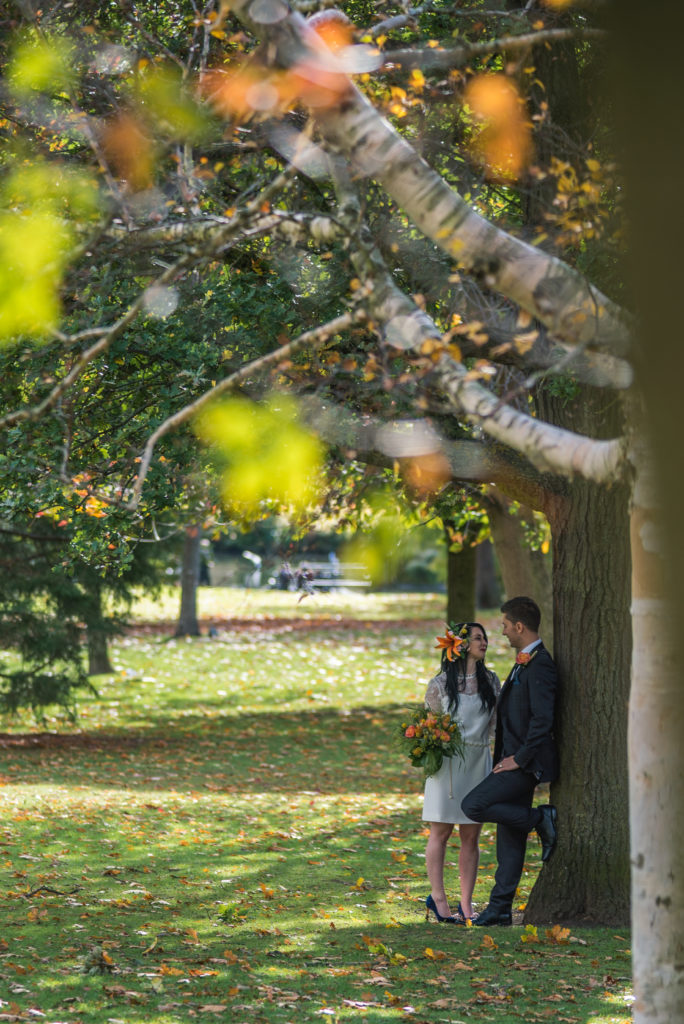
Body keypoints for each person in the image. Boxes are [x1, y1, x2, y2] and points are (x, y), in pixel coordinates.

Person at [461, 596, 558, 927]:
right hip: (509, 760)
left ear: (519, 626)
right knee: (509, 841)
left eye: (504, 625)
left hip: (524, 765)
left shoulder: (541, 663)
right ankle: (500, 908)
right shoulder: (522, 661)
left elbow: (543, 720)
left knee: (472, 805)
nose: (500, 632)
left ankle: (539, 818)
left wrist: (518, 759)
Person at [423, 622, 500, 924]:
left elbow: (496, 725)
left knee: (471, 835)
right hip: (446, 766)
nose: (485, 643)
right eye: (478, 638)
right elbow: (429, 728)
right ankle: (439, 899)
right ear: (461, 645)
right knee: (440, 833)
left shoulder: (492, 682)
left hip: (479, 761)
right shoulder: (440, 685)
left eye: (485, 638)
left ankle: (466, 904)